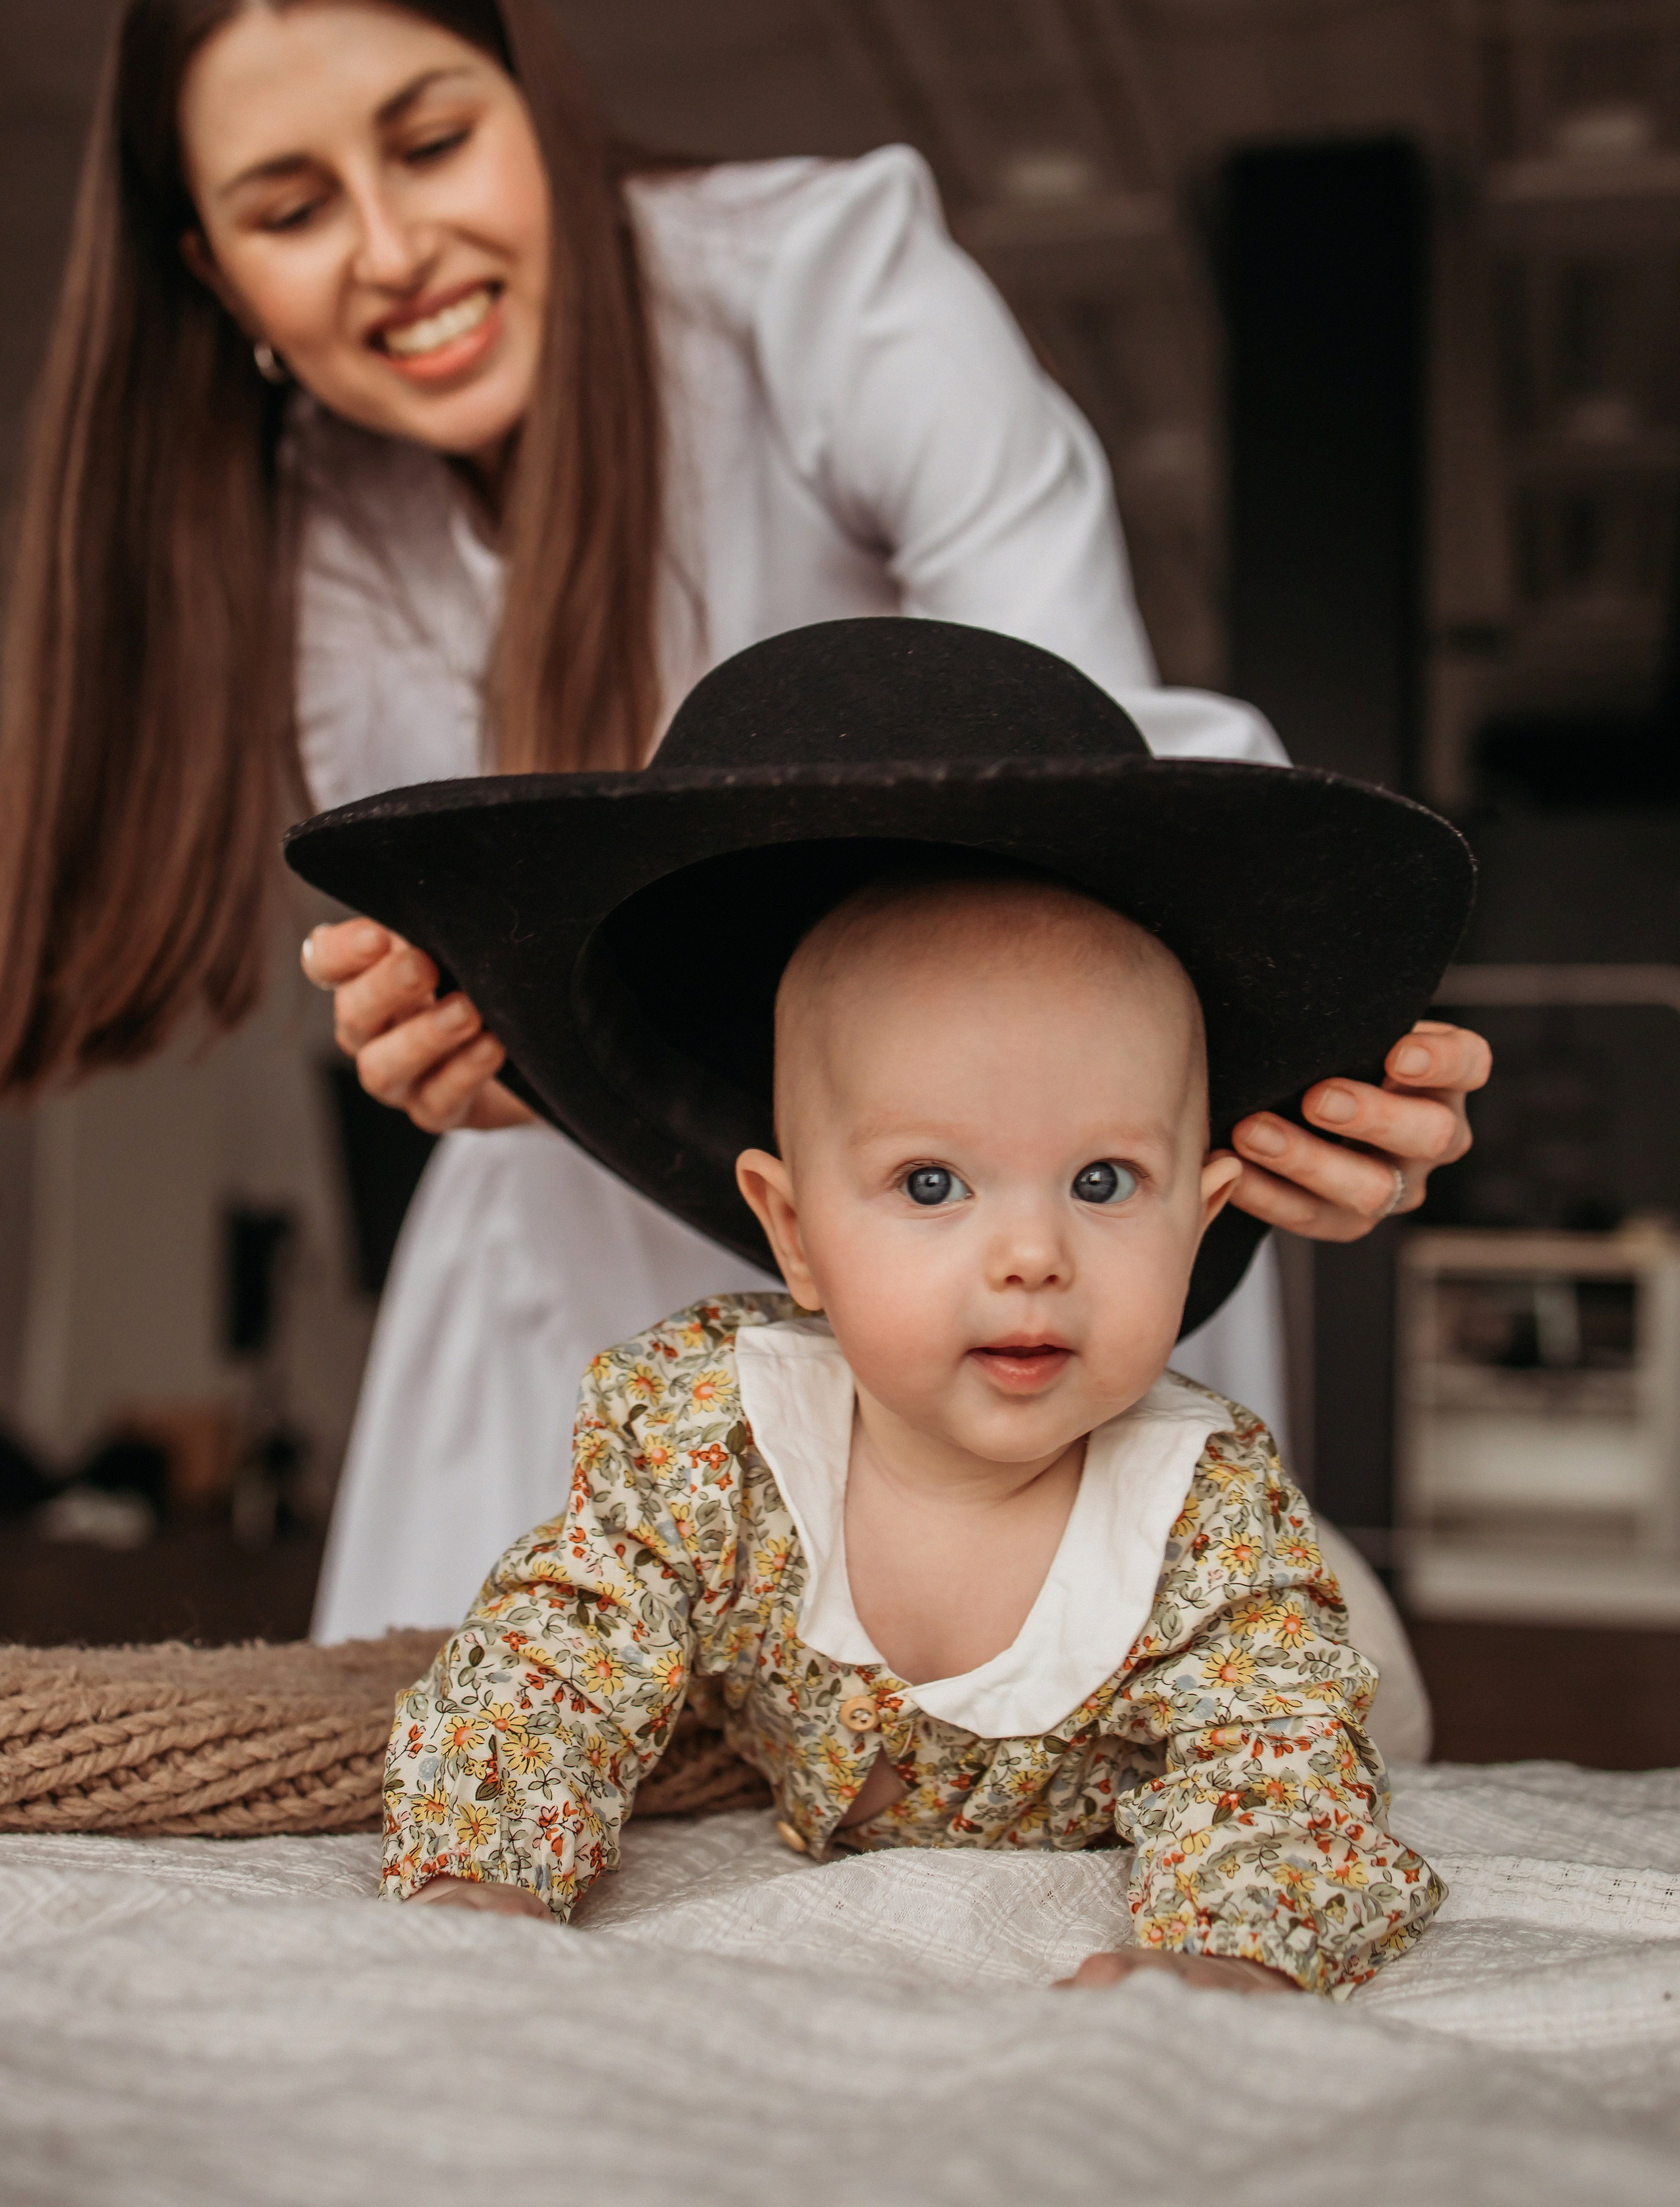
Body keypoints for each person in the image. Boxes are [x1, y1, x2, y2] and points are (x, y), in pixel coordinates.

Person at [0, 0, 1488, 1643]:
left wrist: (1286, 1047)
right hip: (596, 1239)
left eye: (430, 140)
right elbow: (483, 966)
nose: (395, 253)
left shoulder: (826, 288)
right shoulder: (305, 531)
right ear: (216, 271)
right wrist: (481, 1044)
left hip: (1003, 1154)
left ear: (536, 108)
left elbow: (1089, 801)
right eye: (293, 206)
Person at [297, 620, 1468, 1994]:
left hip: (1325, 1648)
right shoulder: (711, 1444)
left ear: (1200, 1213)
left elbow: (1274, 1769)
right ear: (788, 1231)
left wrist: (1235, 1956)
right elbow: (552, 1665)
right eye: (930, 1182)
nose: (1029, 1253)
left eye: (1100, 1179)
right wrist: (480, 1871)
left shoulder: (1204, 1520)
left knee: (1362, 1698)